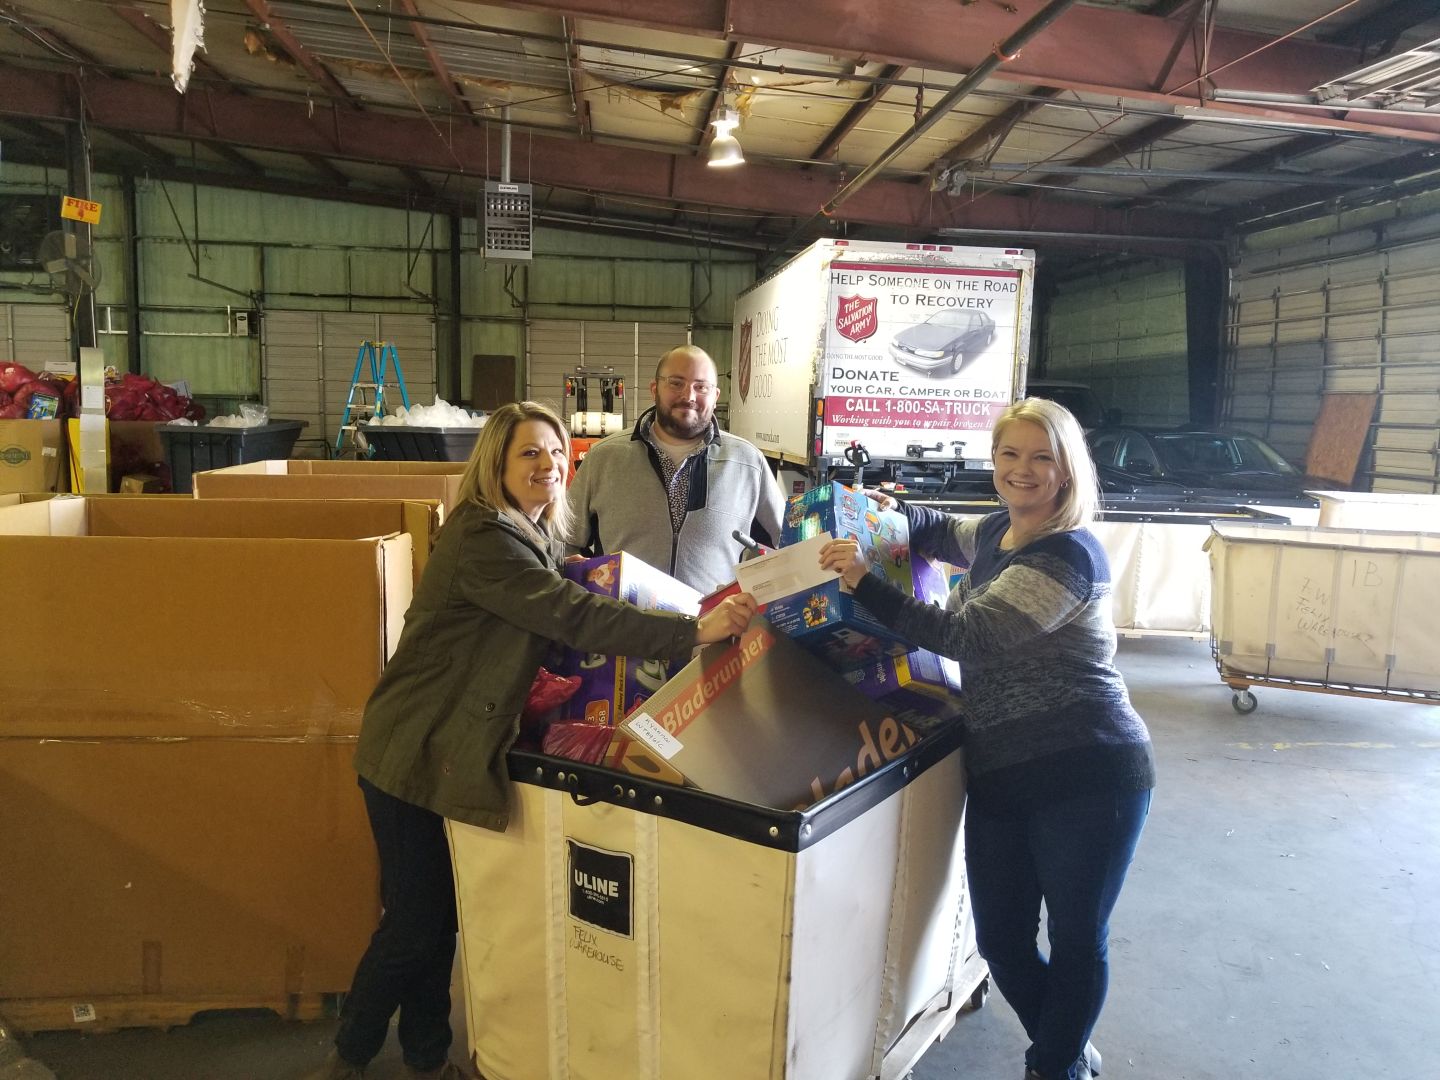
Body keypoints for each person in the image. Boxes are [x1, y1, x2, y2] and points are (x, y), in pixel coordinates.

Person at [306, 401, 757, 1080]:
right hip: (413, 747)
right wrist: (692, 629)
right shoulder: (486, 539)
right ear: (496, 464)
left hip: (453, 744)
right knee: (415, 924)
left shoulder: (537, 537)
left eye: (555, 453)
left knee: (437, 920)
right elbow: (571, 614)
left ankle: (427, 1057)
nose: (548, 466)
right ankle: (349, 1056)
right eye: (529, 454)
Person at [819, 398, 1155, 1080]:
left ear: (1066, 472)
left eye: (1041, 458)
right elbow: (938, 530)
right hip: (1003, 772)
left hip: (1087, 773)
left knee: (1075, 939)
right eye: (1009, 455)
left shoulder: (1067, 555)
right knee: (1001, 941)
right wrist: (885, 512)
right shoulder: (1000, 531)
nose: (1022, 471)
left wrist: (862, 583)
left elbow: (970, 637)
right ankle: (1065, 1051)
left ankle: (1055, 1066)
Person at [567, 344, 785, 594]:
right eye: (676, 383)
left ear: (715, 396)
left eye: (701, 386)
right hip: (623, 625)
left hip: (714, 625)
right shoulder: (603, 458)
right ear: (654, 389)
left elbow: (786, 543)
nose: (689, 396)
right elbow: (567, 542)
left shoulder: (747, 462)